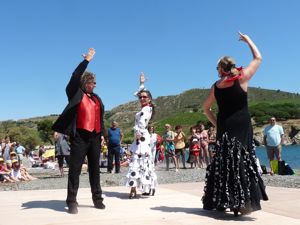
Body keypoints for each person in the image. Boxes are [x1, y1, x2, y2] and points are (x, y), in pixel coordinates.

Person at [202, 32, 268, 216]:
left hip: (225, 125)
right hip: (242, 125)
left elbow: (206, 109)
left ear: (220, 69)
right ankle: (242, 203)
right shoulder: (242, 77)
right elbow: (258, 57)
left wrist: (216, 124)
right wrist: (248, 40)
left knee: (226, 162)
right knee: (241, 160)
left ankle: (228, 200)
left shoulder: (216, 85)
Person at [52, 48, 105, 214]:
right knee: (74, 170)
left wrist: (102, 136)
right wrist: (86, 60)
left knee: (95, 170)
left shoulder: (97, 98)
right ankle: (72, 201)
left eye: (95, 82)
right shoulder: (75, 93)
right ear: (85, 83)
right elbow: (75, 76)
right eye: (92, 82)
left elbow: (100, 118)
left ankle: (97, 198)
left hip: (95, 137)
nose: (95, 85)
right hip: (80, 137)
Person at [125, 72, 157, 198]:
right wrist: (142, 84)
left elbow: (142, 123)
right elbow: (139, 93)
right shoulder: (146, 108)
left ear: (149, 99)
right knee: (143, 162)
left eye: (144, 97)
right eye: (141, 97)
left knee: (138, 162)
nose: (142, 98)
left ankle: (135, 188)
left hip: (141, 138)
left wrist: (137, 134)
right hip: (142, 138)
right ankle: (148, 187)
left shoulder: (146, 110)